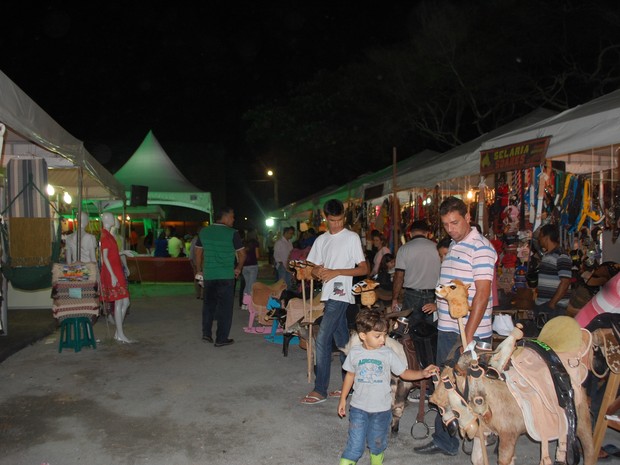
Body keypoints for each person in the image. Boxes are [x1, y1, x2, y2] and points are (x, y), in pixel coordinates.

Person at [414, 196, 496, 457]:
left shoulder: (481, 248)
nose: (451, 228)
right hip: (448, 328)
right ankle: (445, 439)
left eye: (455, 222)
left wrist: (467, 337)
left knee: (473, 388)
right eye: (446, 224)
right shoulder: (452, 245)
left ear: (468, 217)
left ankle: (484, 436)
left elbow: (482, 294)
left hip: (468, 333)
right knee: (446, 385)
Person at [337, 308, 438, 465]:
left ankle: (376, 460)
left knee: (377, 444)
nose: (383, 340)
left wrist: (422, 374)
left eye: (384, 335)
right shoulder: (355, 353)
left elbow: (404, 373)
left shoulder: (388, 353)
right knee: (354, 446)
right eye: (377, 336)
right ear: (363, 336)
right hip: (358, 408)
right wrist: (343, 399)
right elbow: (350, 375)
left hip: (381, 410)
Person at [300, 199, 368, 405]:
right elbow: (311, 267)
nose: (336, 224)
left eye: (339, 220)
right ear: (325, 218)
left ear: (344, 218)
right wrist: (317, 271)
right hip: (328, 294)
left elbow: (364, 269)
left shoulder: (352, 237)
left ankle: (320, 389)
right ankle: (353, 384)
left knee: (322, 338)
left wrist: (337, 271)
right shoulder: (321, 240)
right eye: (332, 221)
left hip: (342, 294)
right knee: (343, 342)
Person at [195, 207, 246, 347]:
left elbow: (198, 253)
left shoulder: (204, 232)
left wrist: (199, 271)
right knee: (225, 308)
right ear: (225, 217)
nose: (233, 219)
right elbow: (242, 254)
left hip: (209, 275)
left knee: (208, 305)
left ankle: (206, 334)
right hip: (226, 276)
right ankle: (221, 338)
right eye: (232, 216)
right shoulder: (233, 233)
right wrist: (238, 269)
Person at [390, 220, 440, 325]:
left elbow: (399, 276)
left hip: (412, 296)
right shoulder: (437, 248)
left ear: (411, 233)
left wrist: (394, 298)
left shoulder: (404, 249)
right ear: (427, 233)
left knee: (411, 328)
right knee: (431, 330)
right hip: (433, 295)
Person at [99, 212, 134, 343]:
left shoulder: (109, 235)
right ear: (107, 220)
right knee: (119, 302)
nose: (115, 219)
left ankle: (118, 333)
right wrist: (112, 275)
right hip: (112, 271)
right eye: (113, 217)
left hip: (117, 270)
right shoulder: (104, 236)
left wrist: (123, 252)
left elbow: (112, 253)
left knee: (126, 302)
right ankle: (120, 334)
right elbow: (105, 257)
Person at [535, 223, 572, 320]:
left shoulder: (561, 256)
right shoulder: (547, 255)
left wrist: (552, 303)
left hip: (554, 307)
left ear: (545, 236)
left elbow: (565, 282)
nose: (539, 239)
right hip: (545, 305)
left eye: (540, 236)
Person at [241, 232, 260, 307]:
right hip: (253, 266)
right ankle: (249, 303)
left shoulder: (243, 243)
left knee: (247, 285)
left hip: (244, 266)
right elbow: (257, 255)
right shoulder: (255, 243)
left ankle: (244, 303)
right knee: (251, 286)